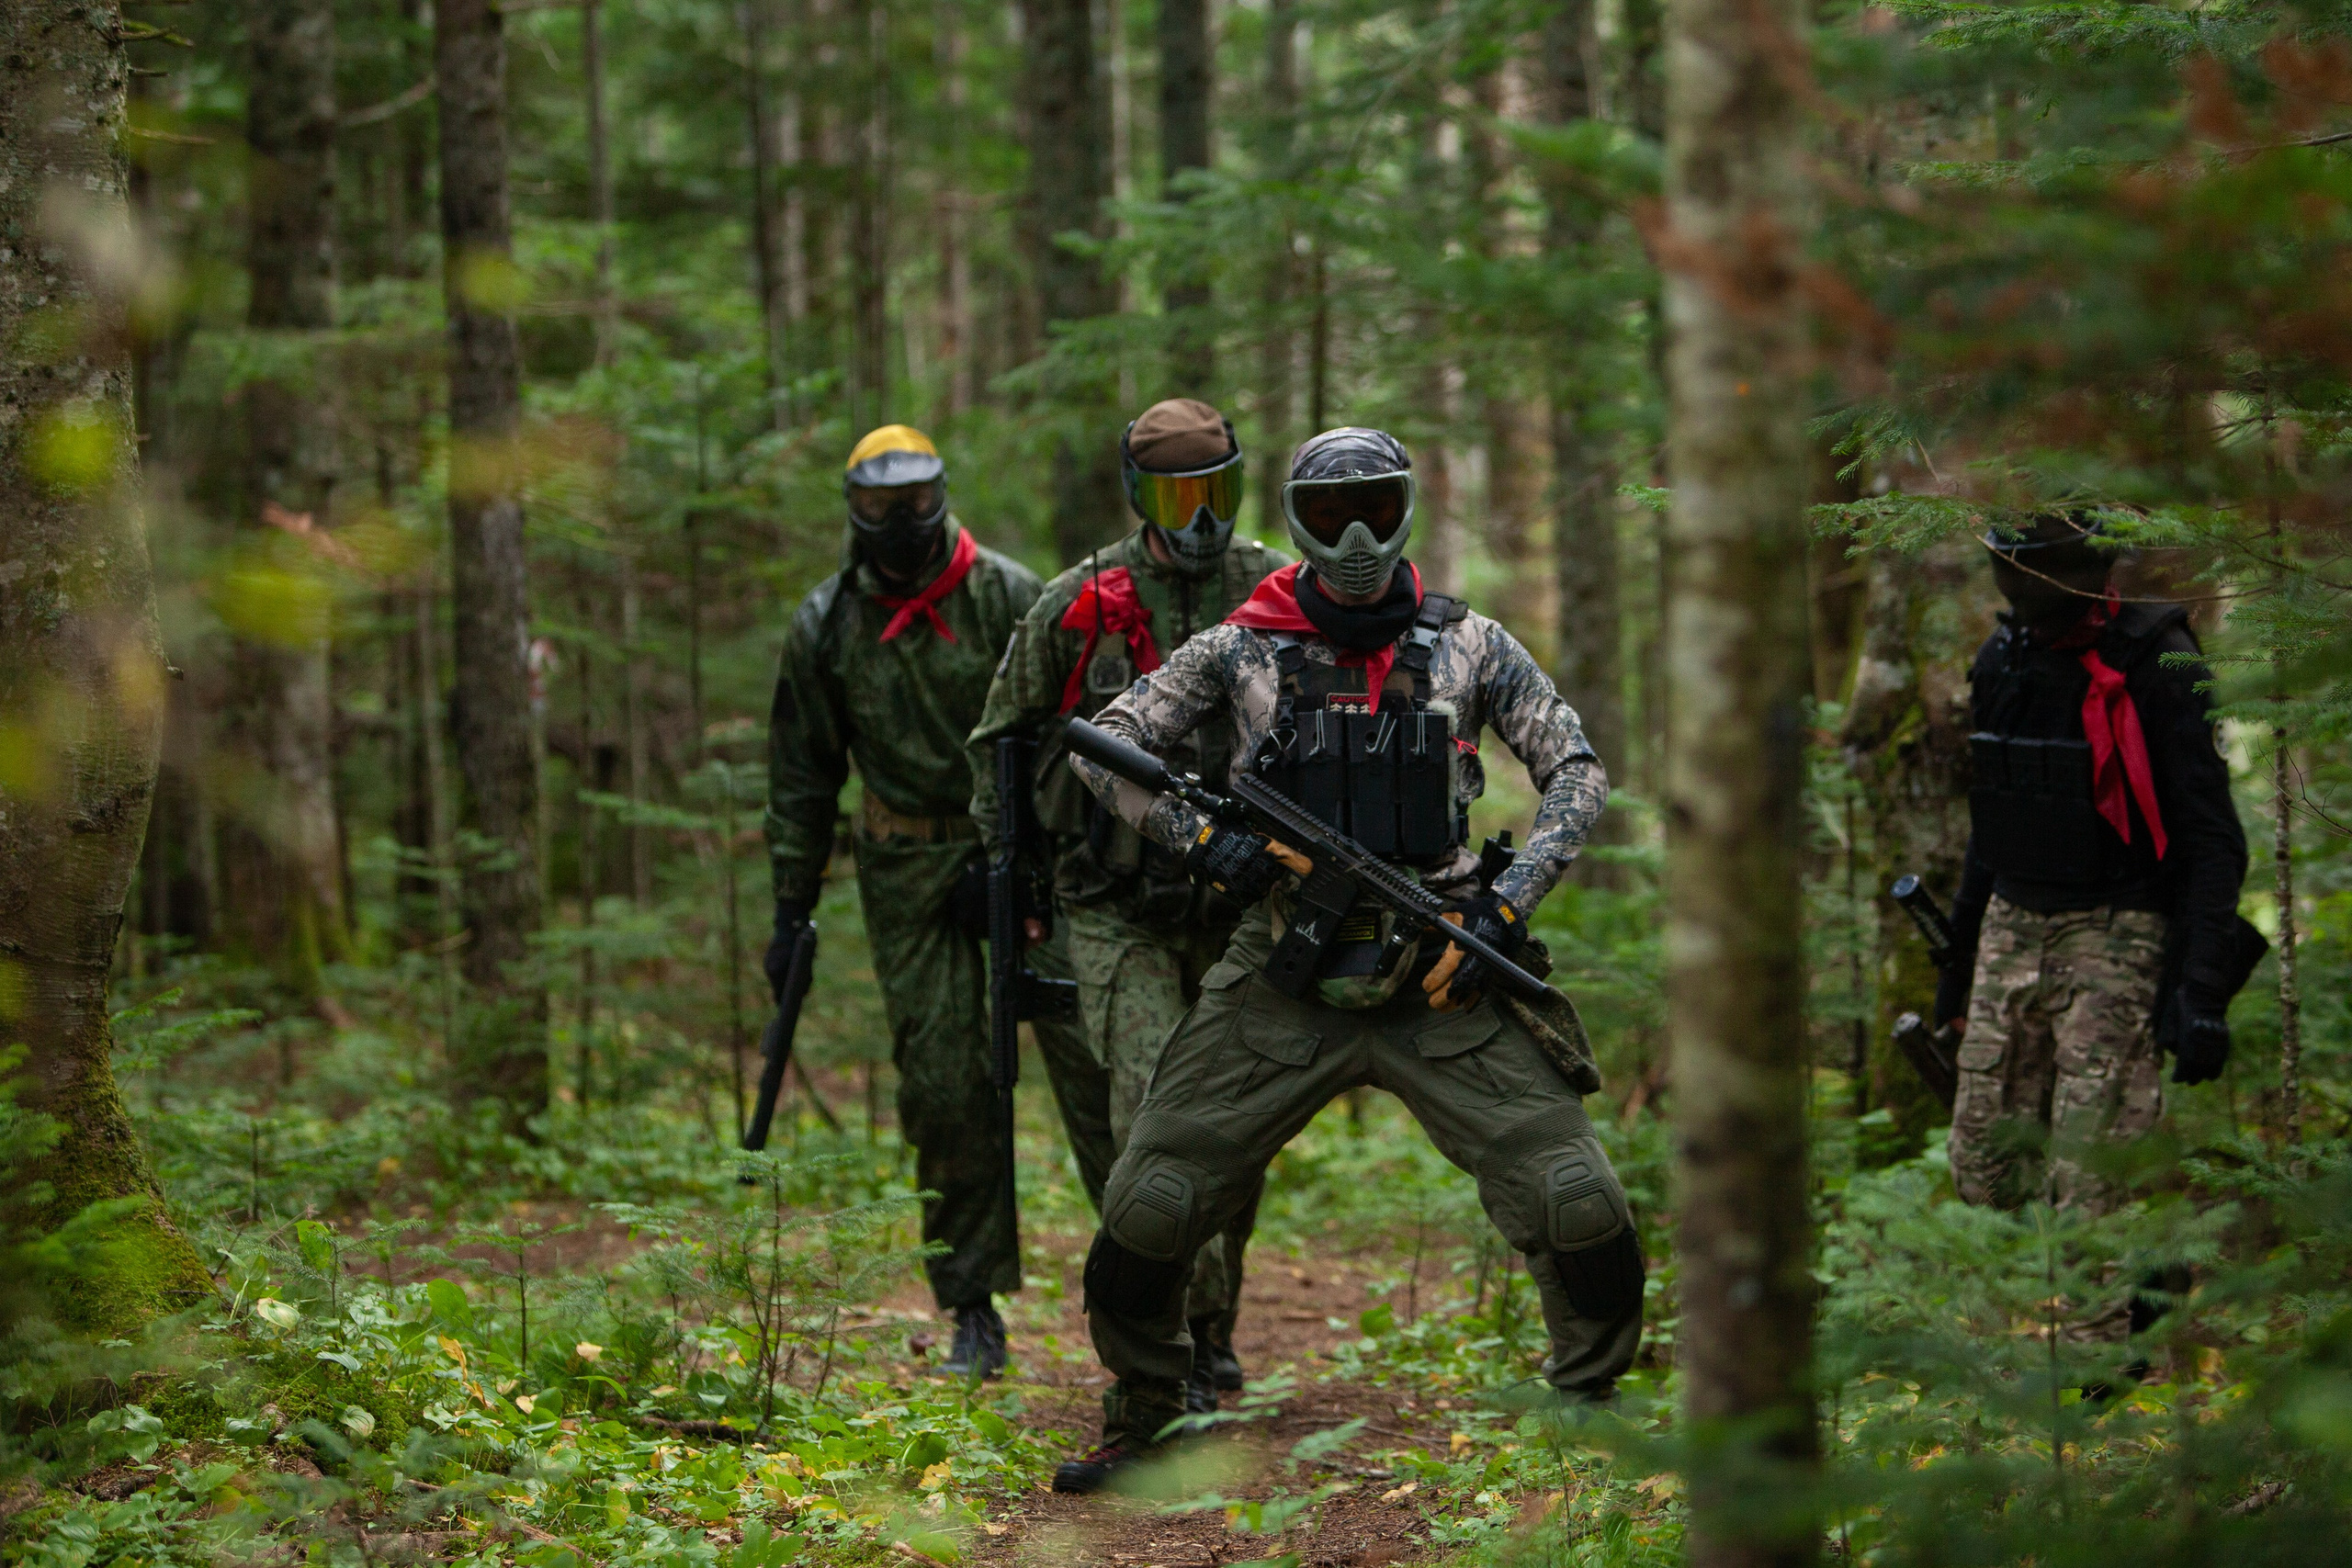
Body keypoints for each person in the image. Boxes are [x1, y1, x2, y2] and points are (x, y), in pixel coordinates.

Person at [1050, 427, 1641, 1493]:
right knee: (1150, 1206)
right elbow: (1107, 745)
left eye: (1374, 506)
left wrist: (1508, 905)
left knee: (1579, 1203)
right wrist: (1205, 840)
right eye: (1329, 516)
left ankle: (1588, 1426)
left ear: (1407, 506)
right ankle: (1147, 1413)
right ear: (1294, 521)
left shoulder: (1470, 641)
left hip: (1440, 969)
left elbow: (1578, 771)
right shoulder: (1239, 645)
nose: (1356, 536)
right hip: (1283, 969)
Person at [764, 423, 1110, 1380]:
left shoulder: (1009, 594)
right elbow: (801, 775)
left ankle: (1155, 1303)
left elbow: (1065, 739)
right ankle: (972, 1309)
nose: (901, 524)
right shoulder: (827, 622)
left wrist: (1021, 854)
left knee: (1096, 1067)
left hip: (1029, 864)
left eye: (915, 503)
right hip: (905, 868)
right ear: (853, 511)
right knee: (945, 1084)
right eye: (880, 509)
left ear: (943, 496)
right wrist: (792, 911)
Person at [967, 399, 1291, 1416]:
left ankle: (1211, 1324)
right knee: (1157, 1115)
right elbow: (1002, 742)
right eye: (1175, 496)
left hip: (1244, 908)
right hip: (1116, 908)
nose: (1198, 518)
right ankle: (1168, 1349)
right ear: (1137, 495)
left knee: (1236, 1130)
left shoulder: (1276, 588)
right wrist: (1013, 880)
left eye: (1216, 493)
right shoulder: (1083, 599)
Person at [1936, 513, 2252, 1215]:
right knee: (1983, 1170)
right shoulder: (2001, 659)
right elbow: (1991, 824)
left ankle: (2118, 1300)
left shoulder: (2158, 660)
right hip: (2012, 922)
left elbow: (2213, 840)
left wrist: (2199, 992)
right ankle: (2128, 1283)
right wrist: (1955, 974)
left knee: (2094, 1191)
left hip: (2120, 923)